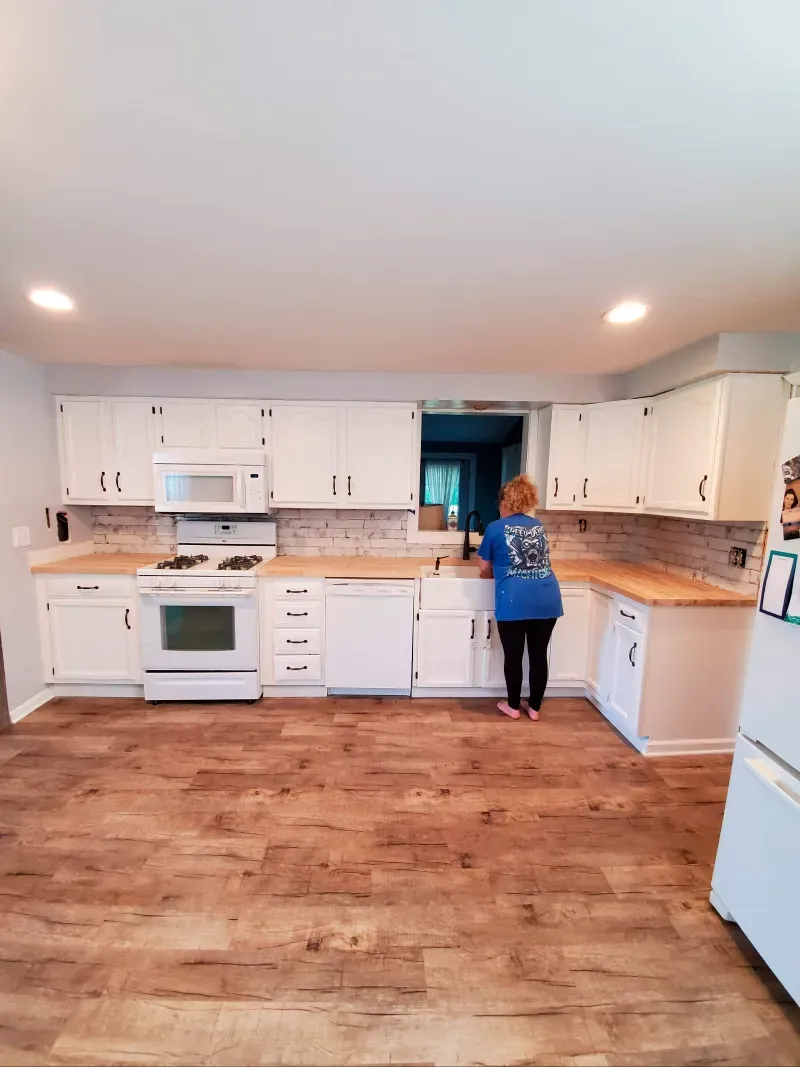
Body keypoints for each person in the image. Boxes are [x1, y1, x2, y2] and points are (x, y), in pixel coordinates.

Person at [477, 474, 563, 721]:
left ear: (505, 502)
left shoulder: (495, 528)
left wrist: (492, 571)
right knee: (538, 656)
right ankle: (534, 708)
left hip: (514, 600)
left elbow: (483, 567)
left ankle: (513, 706)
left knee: (513, 656)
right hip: (547, 598)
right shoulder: (538, 526)